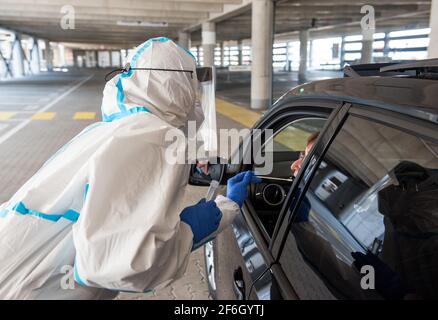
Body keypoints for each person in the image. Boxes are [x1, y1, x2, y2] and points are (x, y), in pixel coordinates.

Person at [0, 37, 257, 299]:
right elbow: (125, 263)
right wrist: (213, 215)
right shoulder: (151, 136)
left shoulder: (122, 129)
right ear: (178, 85)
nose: (195, 96)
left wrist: (184, 170)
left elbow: (117, 183)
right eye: (192, 84)